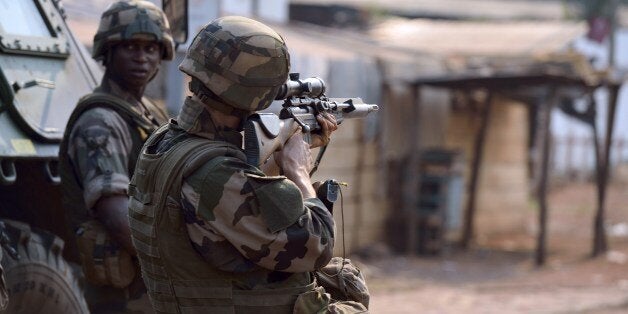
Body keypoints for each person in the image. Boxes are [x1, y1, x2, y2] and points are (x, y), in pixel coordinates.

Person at [128, 16, 368, 313]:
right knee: (348, 288)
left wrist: (284, 154)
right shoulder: (216, 171)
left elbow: (241, 206)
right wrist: (298, 170)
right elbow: (316, 245)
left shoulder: (167, 140)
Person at [58, 1, 174, 312]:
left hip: (149, 285)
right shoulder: (100, 122)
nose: (142, 57)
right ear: (108, 52)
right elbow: (116, 215)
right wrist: (180, 259)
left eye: (151, 47)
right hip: (120, 296)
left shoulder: (149, 113)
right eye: (130, 47)